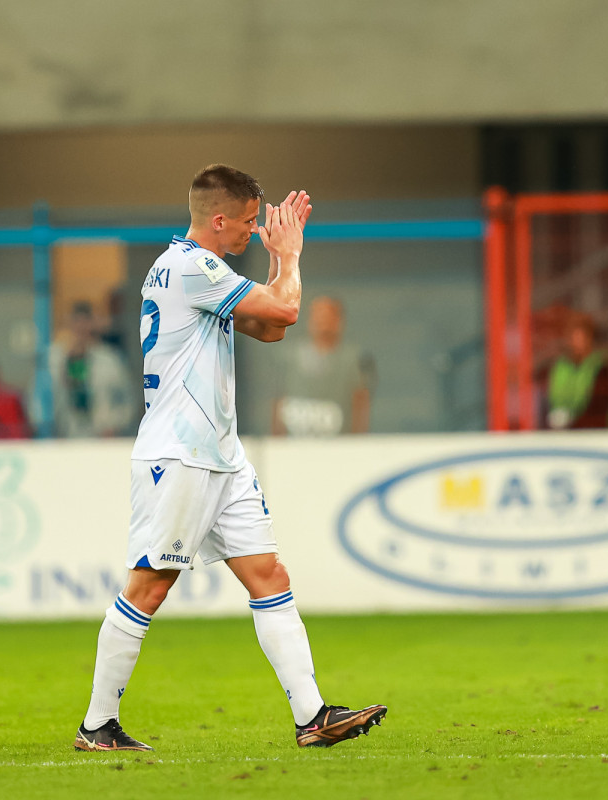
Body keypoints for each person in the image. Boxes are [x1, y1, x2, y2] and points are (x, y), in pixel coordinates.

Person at [73, 165, 386, 753]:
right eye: (247, 222)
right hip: (181, 455)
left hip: (220, 453)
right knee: (149, 587)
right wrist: (289, 256)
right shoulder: (194, 267)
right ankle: (96, 726)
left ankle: (312, 716)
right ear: (218, 220)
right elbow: (286, 313)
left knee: (269, 576)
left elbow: (269, 329)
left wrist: (275, 270)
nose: (254, 231)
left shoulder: (191, 269)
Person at [271, 296, 374, 436]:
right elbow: (278, 402)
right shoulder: (289, 357)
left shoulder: (353, 361)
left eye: (327, 316)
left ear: (339, 321)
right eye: (317, 316)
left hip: (338, 444)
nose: (322, 322)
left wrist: (357, 442)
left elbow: (360, 405)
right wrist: (277, 442)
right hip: (295, 443)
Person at [37, 300, 135, 438]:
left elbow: (128, 400)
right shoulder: (53, 359)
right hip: (64, 436)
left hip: (102, 436)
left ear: (93, 324)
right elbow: (39, 399)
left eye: (85, 322)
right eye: (77, 322)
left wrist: (115, 425)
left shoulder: (110, 359)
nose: (81, 327)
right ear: (69, 324)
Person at [545, 313, 608, 430]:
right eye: (573, 338)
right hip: (560, 423)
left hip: (590, 427)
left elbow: (600, 404)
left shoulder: (600, 367)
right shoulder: (561, 365)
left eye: (581, 338)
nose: (576, 343)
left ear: (590, 339)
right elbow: (553, 396)